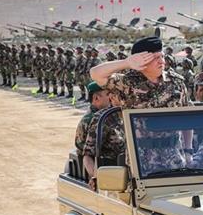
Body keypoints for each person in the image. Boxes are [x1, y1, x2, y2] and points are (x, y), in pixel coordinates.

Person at [90, 36, 192, 176]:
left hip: (174, 160)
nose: (162, 61)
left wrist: (188, 150)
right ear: (141, 60)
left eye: (162, 56)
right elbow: (95, 74)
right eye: (155, 58)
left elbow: (187, 118)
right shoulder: (127, 83)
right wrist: (127, 63)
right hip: (141, 163)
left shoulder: (177, 83)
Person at [75, 82, 111, 153]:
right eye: (108, 94)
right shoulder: (92, 119)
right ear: (96, 98)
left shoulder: (106, 114)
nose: (111, 97)